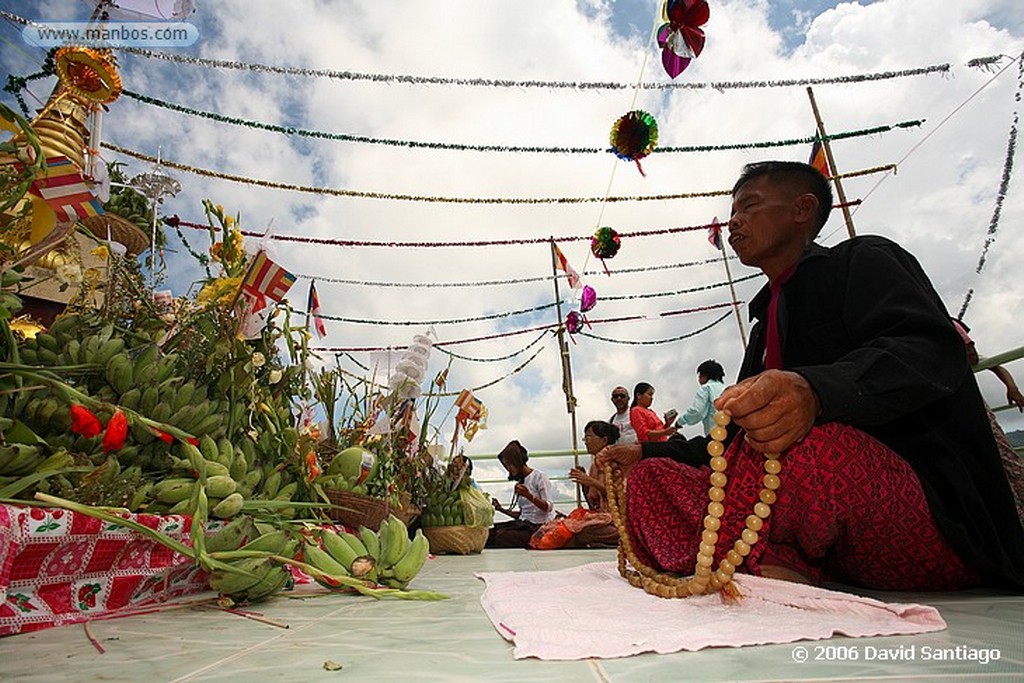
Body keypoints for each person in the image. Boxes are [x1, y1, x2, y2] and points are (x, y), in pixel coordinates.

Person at [598, 160, 1024, 591]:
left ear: (802, 209)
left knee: (801, 444)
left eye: (749, 206)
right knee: (654, 482)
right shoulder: (765, 317)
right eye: (733, 212)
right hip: (805, 518)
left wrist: (817, 392)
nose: (734, 222)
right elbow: (731, 441)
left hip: (921, 517)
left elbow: (930, 350)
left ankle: (762, 556)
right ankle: (775, 559)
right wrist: (646, 456)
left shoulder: (863, 260)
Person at [530, 421, 621, 550]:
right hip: (600, 519)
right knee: (566, 528)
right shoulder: (594, 466)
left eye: (589, 437)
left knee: (583, 532)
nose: (586, 441)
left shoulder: (617, 464)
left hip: (617, 521)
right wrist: (584, 483)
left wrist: (591, 481)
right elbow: (592, 504)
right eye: (585, 438)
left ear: (604, 440)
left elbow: (621, 496)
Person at [487, 440, 555, 548]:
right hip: (524, 525)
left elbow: (548, 507)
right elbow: (523, 515)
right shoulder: (521, 481)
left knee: (502, 537)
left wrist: (529, 496)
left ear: (516, 461)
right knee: (490, 532)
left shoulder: (539, 477)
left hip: (538, 527)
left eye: (509, 465)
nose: (508, 469)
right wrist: (501, 509)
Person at [675, 360, 727, 436]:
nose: (698, 379)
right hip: (734, 436)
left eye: (699, 376)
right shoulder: (728, 389)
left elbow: (697, 412)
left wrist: (680, 421)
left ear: (704, 376)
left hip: (716, 437)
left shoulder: (706, 388)